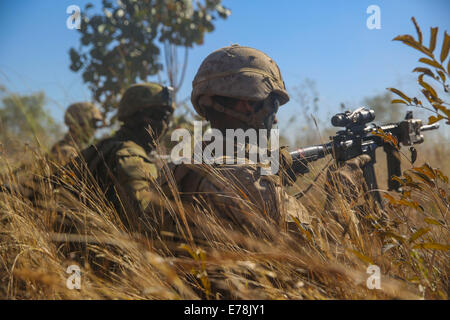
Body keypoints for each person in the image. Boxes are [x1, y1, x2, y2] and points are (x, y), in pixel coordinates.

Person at [58, 83, 174, 231]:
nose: (164, 125)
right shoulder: (131, 155)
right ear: (135, 117)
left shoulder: (100, 148)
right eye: (158, 116)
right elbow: (148, 224)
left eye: (167, 118)